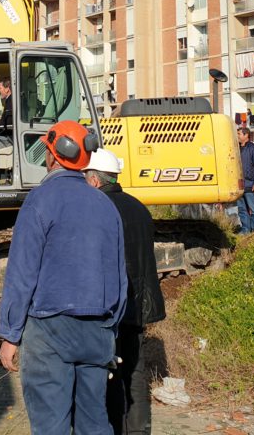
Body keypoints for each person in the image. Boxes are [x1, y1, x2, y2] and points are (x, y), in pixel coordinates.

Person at [0, 121, 127, 435]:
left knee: (50, 425)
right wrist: (109, 328)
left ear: (53, 155)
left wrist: (10, 334)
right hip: (97, 329)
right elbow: (120, 278)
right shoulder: (105, 205)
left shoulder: (40, 199)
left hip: (48, 330)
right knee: (94, 424)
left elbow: (22, 272)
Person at [84, 148, 165, 435]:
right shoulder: (138, 207)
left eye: (85, 178)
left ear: (95, 180)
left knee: (109, 374)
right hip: (138, 305)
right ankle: (139, 430)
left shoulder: (97, 209)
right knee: (135, 372)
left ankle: (115, 428)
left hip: (110, 307)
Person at [235, 127, 254, 234]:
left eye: (239, 134)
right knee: (242, 210)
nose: (237, 136)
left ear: (246, 135)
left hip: (250, 184)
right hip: (239, 185)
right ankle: (246, 231)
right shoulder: (236, 148)